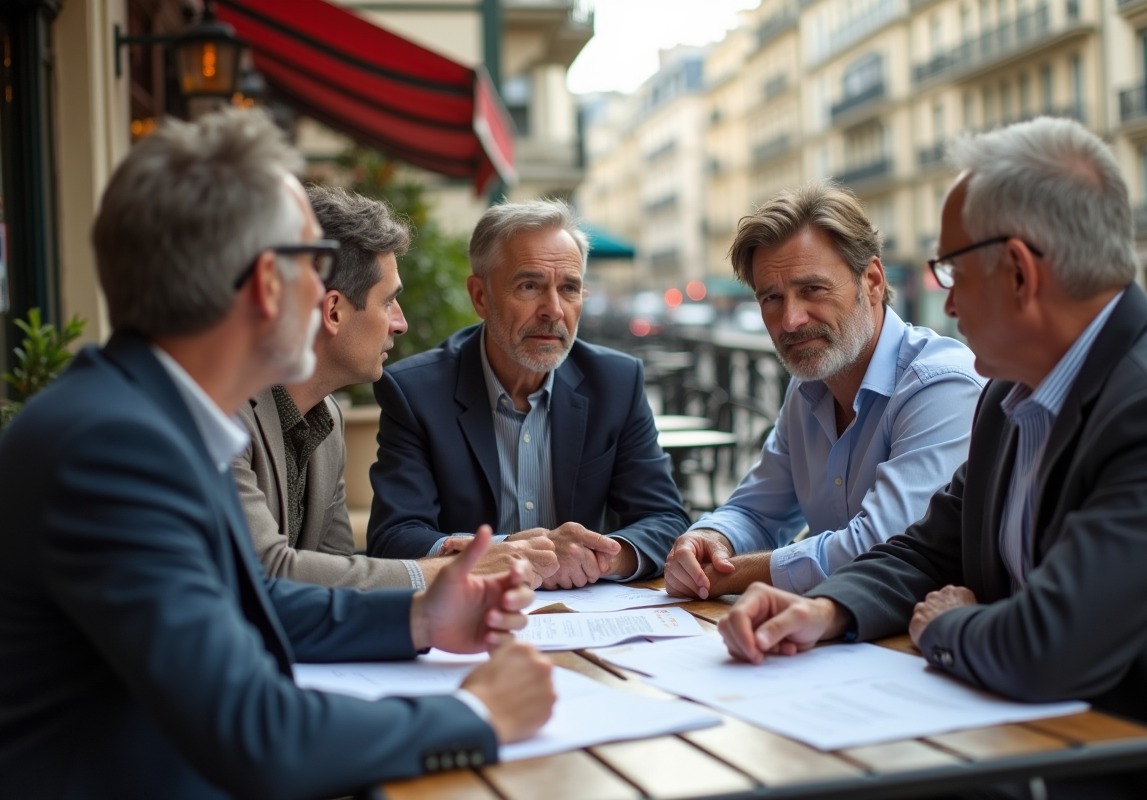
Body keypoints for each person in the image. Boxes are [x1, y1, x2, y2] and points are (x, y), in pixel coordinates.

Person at [0, 109, 555, 799]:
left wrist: (420, 617)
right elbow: (255, 732)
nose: (328, 293)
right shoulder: (114, 447)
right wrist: (478, 712)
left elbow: (251, 600)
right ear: (268, 283)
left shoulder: (145, 415)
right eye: (314, 263)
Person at [719, 117, 1147, 797]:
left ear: (1019, 273)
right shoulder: (1010, 390)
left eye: (952, 269)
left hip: (1122, 772)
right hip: (1007, 740)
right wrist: (828, 611)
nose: (944, 296)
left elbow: (1048, 643)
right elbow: (925, 549)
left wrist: (945, 625)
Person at [664, 184, 984, 600]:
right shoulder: (809, 388)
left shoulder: (939, 383)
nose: (791, 319)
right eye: (772, 298)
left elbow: (881, 548)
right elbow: (755, 510)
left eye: (812, 289)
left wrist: (726, 575)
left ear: (871, 281)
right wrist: (710, 538)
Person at [234, 185, 558, 590]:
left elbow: (338, 577)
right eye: (388, 302)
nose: (399, 323)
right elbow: (263, 574)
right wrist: (459, 571)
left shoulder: (326, 418)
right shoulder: (225, 414)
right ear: (332, 311)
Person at [367, 199, 690, 589]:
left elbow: (666, 519)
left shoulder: (616, 382)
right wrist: (511, 555)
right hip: (468, 619)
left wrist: (600, 558)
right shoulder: (416, 391)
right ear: (481, 297)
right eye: (529, 286)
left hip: (585, 615)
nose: (553, 310)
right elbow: (394, 538)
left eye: (569, 288)